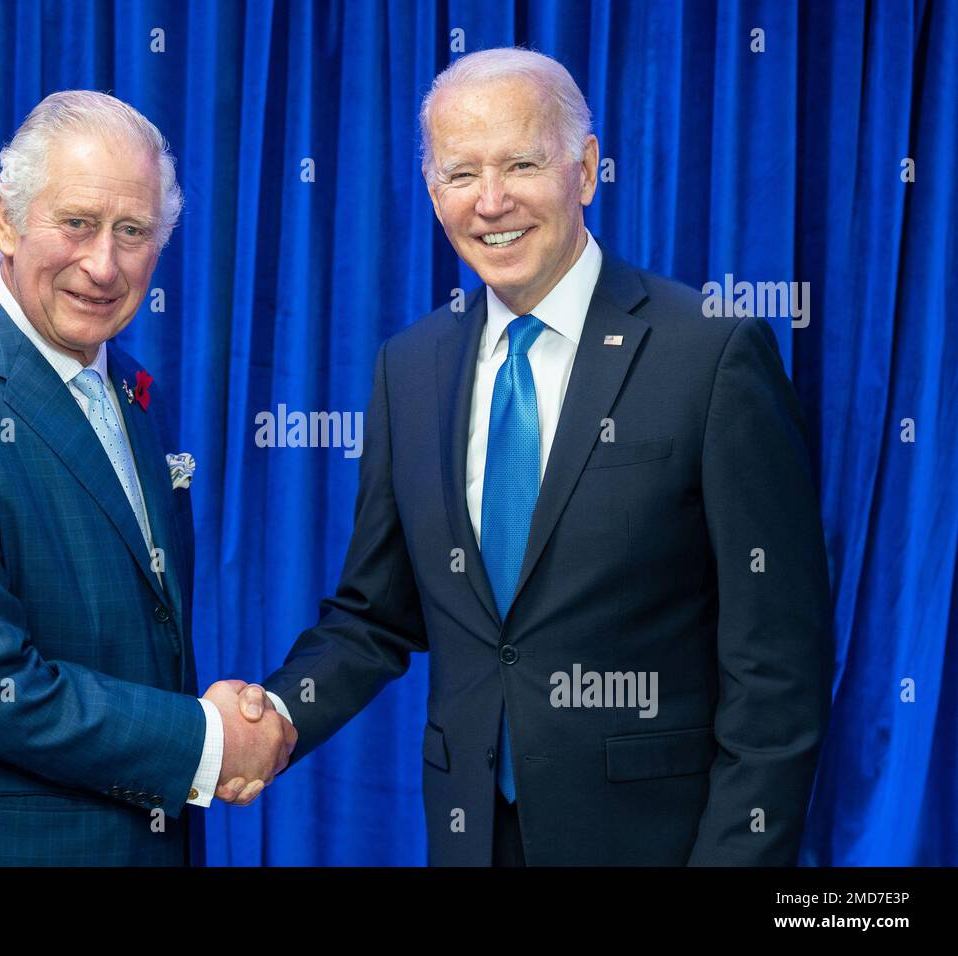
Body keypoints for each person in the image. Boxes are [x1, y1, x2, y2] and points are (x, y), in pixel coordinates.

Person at [231, 48, 833, 866]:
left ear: (585, 170)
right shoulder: (409, 369)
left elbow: (779, 669)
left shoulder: (711, 354)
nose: (491, 201)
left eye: (521, 163)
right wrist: (274, 712)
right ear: (432, 190)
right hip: (473, 838)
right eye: (459, 173)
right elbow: (375, 614)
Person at [0, 90, 294, 866]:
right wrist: (209, 740)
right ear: (5, 218)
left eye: (133, 232)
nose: (103, 265)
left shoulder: (131, 393)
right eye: (78, 224)